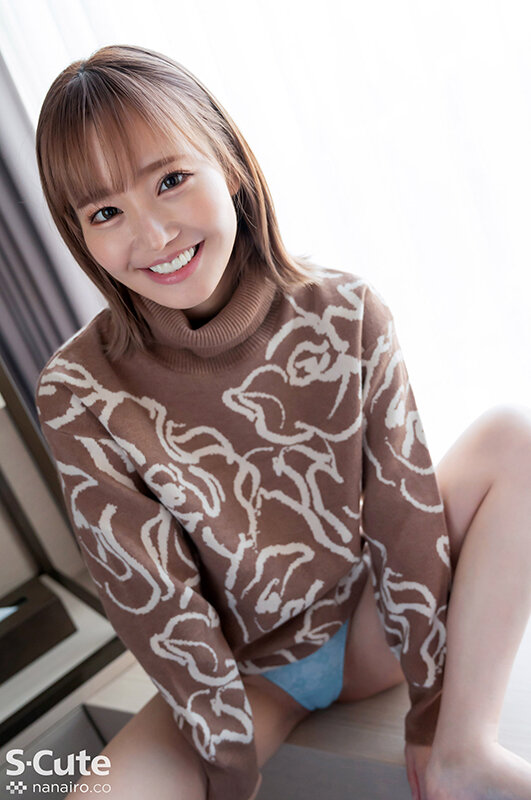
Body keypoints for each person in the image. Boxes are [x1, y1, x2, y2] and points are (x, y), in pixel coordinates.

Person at [33, 44, 531, 800]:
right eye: (106, 212)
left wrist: (431, 714)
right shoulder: (78, 391)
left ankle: (465, 752)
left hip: (368, 623)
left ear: (228, 165)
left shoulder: (346, 311)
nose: (153, 234)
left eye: (170, 180)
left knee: (512, 437)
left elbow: (402, 517)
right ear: (81, 236)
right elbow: (156, 602)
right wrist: (229, 773)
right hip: (248, 678)